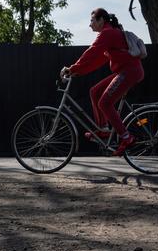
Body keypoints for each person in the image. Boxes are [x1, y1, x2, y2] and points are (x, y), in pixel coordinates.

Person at [61, 8, 144, 156]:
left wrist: (72, 68)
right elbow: (97, 60)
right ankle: (103, 130)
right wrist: (76, 71)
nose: (90, 24)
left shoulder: (107, 33)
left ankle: (126, 137)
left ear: (101, 21)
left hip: (129, 72)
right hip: (125, 71)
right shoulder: (110, 33)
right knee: (95, 91)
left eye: (92, 20)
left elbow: (91, 52)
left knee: (105, 103)